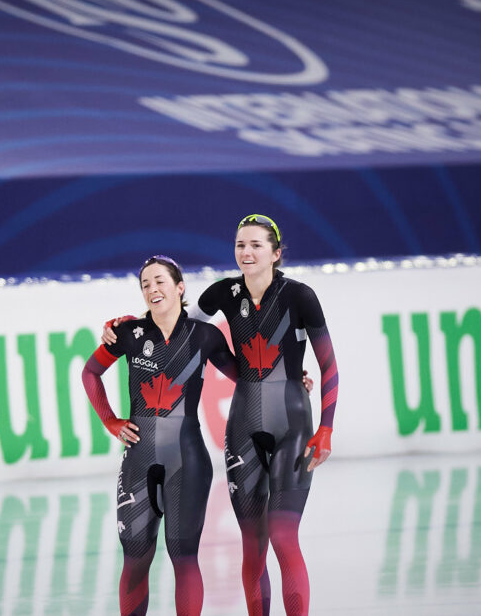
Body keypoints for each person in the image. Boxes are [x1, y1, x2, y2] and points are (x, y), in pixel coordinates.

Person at [103, 215, 339, 616]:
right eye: (239, 245)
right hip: (243, 427)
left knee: (283, 537)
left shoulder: (301, 296)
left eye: (256, 245)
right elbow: (172, 322)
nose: (246, 252)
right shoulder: (223, 294)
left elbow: (329, 366)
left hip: (293, 425)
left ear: (276, 253)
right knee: (253, 543)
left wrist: (327, 427)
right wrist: (125, 325)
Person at [82, 255, 239, 616]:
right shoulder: (127, 333)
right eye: (145, 284)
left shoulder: (206, 336)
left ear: (180, 288)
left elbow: (246, 377)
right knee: (136, 555)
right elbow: (90, 373)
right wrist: (110, 421)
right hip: (138, 459)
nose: (152, 289)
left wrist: (297, 377)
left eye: (160, 281)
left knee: (183, 556)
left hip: (189, 460)